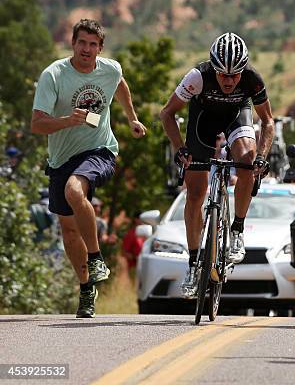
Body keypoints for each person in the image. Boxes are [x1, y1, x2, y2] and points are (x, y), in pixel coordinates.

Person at [31, 19, 147, 318]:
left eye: (93, 44)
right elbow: (37, 123)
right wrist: (68, 120)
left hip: (100, 149)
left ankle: (96, 258)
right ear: (73, 44)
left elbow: (119, 84)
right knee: (69, 231)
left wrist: (132, 118)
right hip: (60, 157)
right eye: (82, 42)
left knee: (74, 189)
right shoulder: (53, 75)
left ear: (100, 48)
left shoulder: (110, 68)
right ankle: (86, 289)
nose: (87, 49)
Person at [159, 32, 274, 297]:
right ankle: (193, 263)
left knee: (246, 160)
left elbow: (267, 121)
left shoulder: (252, 80)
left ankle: (237, 230)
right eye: (223, 75)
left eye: (235, 76)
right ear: (213, 67)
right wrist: (180, 148)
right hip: (203, 121)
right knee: (196, 193)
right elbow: (167, 113)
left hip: (237, 116)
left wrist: (262, 157)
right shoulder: (197, 77)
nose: (229, 81)